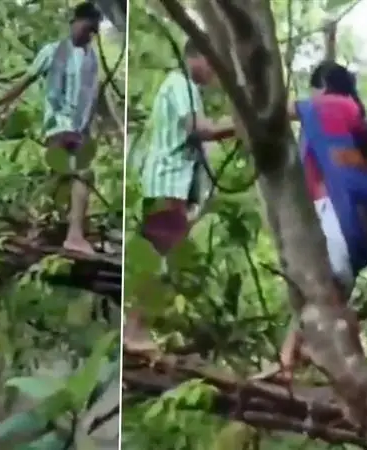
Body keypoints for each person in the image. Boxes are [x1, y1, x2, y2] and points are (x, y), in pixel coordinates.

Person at [274, 61, 367, 383]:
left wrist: (216, 128)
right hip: (358, 213)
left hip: (338, 209)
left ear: (322, 86)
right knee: (319, 288)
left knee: (327, 289)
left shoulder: (331, 106)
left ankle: (353, 368)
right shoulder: (354, 114)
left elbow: (275, 112)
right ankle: (289, 356)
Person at [123, 40, 235, 351]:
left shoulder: (186, 88)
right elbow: (201, 129)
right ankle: (134, 332)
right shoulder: (180, 84)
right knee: (156, 260)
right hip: (167, 184)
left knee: (161, 259)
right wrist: (241, 125)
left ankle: (138, 328)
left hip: (173, 187)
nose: (213, 70)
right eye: (211, 61)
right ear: (195, 57)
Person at [0, 2, 103, 255]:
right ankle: (73, 235)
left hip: (80, 128)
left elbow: (93, 97)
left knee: (59, 177)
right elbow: (24, 82)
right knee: (83, 173)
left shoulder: (91, 58)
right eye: (86, 29)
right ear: (75, 22)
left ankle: (37, 229)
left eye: (93, 31)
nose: (88, 35)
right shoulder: (53, 51)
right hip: (59, 125)